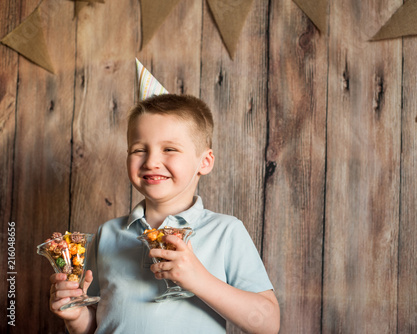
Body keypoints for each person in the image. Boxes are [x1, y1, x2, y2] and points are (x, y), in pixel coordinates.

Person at [48, 94, 280, 333]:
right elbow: (101, 323)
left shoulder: (225, 232)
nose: (151, 161)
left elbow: (268, 324)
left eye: (169, 148)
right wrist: (75, 317)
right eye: (139, 149)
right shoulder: (107, 233)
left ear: (205, 162)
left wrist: (198, 279)